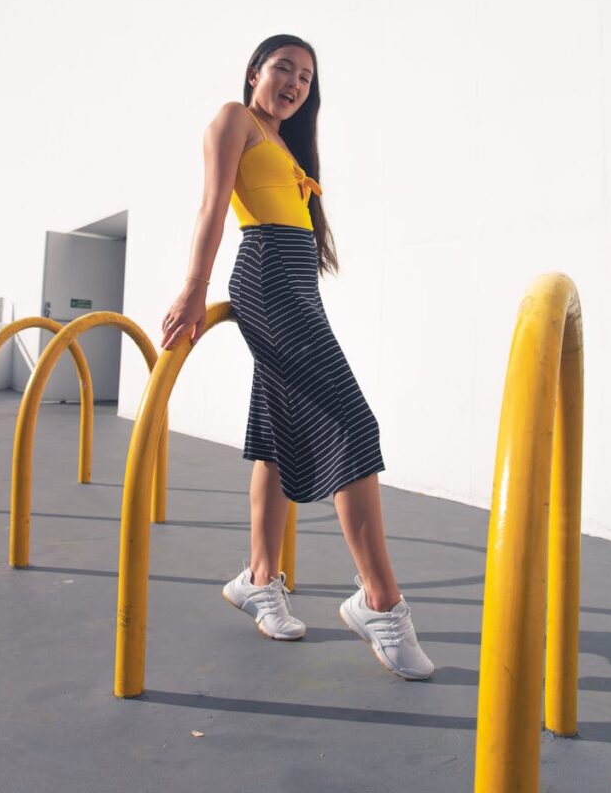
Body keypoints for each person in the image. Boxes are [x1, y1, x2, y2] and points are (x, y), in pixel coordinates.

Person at [160, 34, 434, 680]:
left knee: (279, 436)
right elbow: (212, 206)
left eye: (306, 77)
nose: (294, 82)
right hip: (264, 278)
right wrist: (195, 289)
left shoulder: (285, 141)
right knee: (353, 424)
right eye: (283, 68)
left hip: (295, 286)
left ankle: (258, 578)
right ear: (254, 71)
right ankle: (379, 603)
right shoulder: (233, 118)